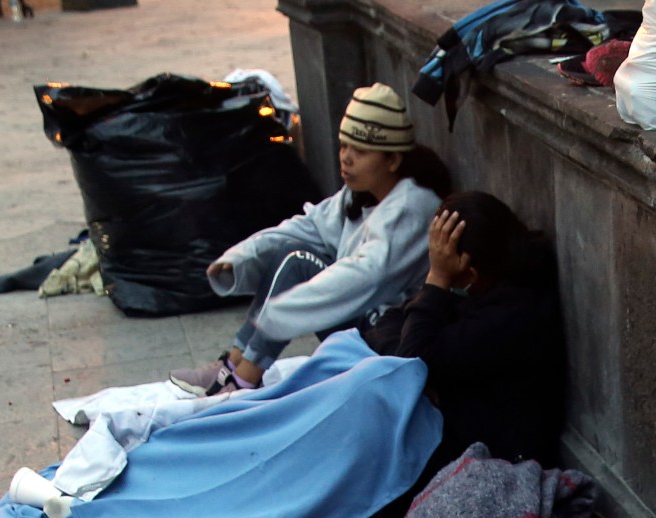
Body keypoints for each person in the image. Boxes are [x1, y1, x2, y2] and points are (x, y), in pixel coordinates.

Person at [171, 83, 450, 396]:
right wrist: (241, 256)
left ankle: (244, 378)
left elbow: (367, 276)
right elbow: (308, 226)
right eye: (343, 146)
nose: (346, 158)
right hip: (365, 319)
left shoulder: (411, 205)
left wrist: (284, 309)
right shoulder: (360, 194)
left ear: (393, 161)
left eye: (360, 152)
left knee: (298, 263)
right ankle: (235, 363)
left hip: (388, 338)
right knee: (290, 251)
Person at [361, 190, 567, 467]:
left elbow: (412, 360)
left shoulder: (513, 314)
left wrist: (437, 279)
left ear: (470, 274)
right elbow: (392, 320)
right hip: (459, 423)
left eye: (441, 265)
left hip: (492, 455)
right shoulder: (495, 284)